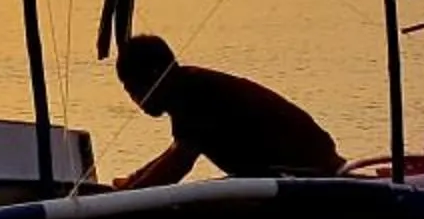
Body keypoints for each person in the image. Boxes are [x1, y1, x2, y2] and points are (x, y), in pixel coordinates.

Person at [110, 35, 342, 188]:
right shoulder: (187, 84)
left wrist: (127, 197)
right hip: (292, 171)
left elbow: (178, 164)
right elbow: (176, 150)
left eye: (133, 88)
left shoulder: (193, 93)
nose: (134, 99)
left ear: (154, 75)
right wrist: (134, 179)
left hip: (306, 173)